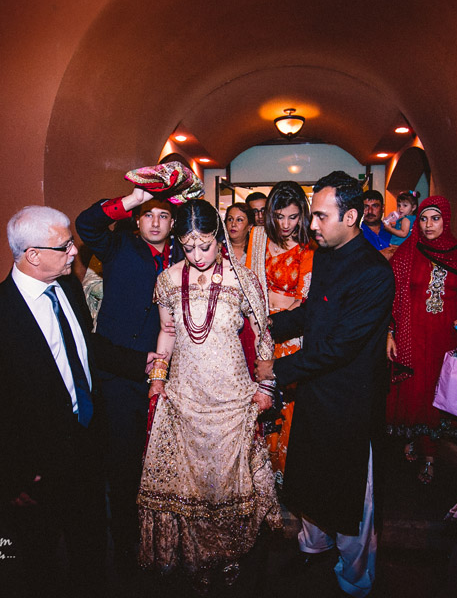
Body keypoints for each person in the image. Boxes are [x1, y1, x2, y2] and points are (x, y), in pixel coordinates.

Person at [0, 206, 152, 597]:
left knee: (91, 551)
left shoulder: (67, 288)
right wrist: (8, 479)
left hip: (88, 447)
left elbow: (85, 347)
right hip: (39, 470)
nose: (74, 252)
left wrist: (141, 362)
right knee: (42, 564)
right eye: (64, 246)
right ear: (32, 255)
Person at [255, 171, 395, 598]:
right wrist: (267, 326)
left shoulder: (373, 272)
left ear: (350, 217)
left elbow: (340, 347)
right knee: (310, 478)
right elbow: (311, 314)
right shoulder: (327, 255)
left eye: (320, 216)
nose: (310, 224)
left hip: (350, 402)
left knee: (351, 495)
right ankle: (312, 546)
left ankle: (355, 575)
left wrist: (276, 370)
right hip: (316, 390)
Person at [138, 199, 282, 590]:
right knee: (191, 484)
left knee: (227, 483)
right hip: (184, 396)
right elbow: (167, 331)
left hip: (232, 397)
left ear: (219, 238)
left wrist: (266, 386)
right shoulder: (169, 279)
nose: (198, 255)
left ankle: (231, 554)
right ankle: (197, 557)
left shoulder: (243, 279)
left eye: (205, 245)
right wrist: (157, 379)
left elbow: (263, 334)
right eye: (189, 247)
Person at [74, 161, 200, 572]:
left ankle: (167, 540)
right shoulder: (118, 247)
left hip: (175, 376)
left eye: (164, 215)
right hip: (121, 374)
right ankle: (129, 545)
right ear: (138, 219)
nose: (156, 222)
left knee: (169, 464)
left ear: (173, 222)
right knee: (125, 464)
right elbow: (87, 224)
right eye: (148, 215)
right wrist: (133, 198)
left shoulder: (188, 253)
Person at [386, 195, 457, 484]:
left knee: (436, 394)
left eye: (435, 218)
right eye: (424, 219)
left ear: (446, 220)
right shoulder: (408, 251)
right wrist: (390, 332)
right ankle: (414, 439)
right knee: (415, 391)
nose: (428, 225)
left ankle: (430, 456)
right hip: (411, 334)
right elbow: (391, 294)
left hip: (444, 337)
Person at [245, 181, 315, 483]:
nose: (286, 224)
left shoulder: (309, 246)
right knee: (259, 402)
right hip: (259, 331)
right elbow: (250, 284)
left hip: (290, 334)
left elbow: (303, 298)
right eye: (280, 216)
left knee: (287, 405)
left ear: (302, 216)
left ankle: (286, 473)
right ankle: (260, 475)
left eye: (293, 217)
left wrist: (277, 321)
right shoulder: (258, 236)